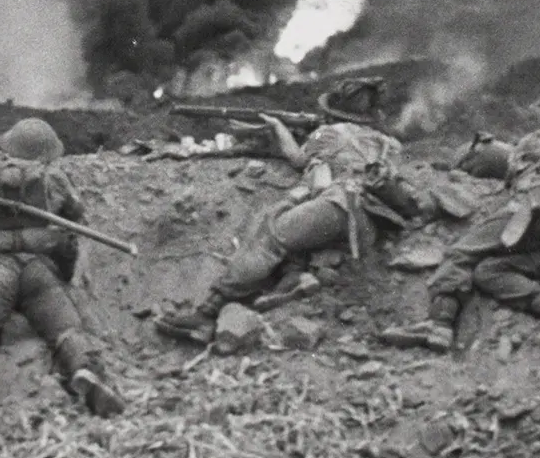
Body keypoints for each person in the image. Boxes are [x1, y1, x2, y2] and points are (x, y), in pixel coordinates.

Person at [379, 81, 540, 353]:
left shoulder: (534, 141)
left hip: (539, 212)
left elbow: (511, 179)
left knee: (462, 253)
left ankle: (439, 324)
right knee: (489, 271)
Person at [0, 118, 125, 428]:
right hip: (38, 269)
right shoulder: (53, 178)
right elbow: (76, 212)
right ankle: (85, 372)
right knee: (67, 329)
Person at [154, 113, 425, 345]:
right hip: (368, 223)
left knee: (271, 233)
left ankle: (207, 312)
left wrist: (278, 127)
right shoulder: (388, 144)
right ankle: (292, 278)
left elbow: (296, 158)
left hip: (338, 205)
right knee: (300, 235)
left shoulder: (330, 132)